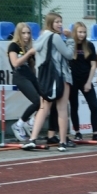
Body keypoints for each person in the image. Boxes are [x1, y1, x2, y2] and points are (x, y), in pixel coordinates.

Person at [21, 12, 74, 151]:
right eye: (57, 21)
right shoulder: (55, 36)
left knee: (43, 108)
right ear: (51, 23)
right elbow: (69, 55)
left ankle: (32, 139)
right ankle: (62, 142)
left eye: (61, 21)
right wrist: (70, 39)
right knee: (62, 109)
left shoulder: (39, 38)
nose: (60, 24)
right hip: (60, 76)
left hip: (45, 78)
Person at [68, 22, 97, 145]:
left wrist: (88, 82)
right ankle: (77, 132)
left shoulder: (89, 45)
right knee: (74, 107)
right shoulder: (70, 44)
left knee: (94, 106)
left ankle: (96, 133)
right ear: (75, 32)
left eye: (84, 32)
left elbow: (93, 65)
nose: (82, 34)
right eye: (80, 32)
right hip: (72, 80)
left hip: (85, 80)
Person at [7, 23, 39, 142]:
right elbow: (15, 63)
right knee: (37, 100)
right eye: (23, 33)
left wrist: (33, 58)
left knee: (46, 99)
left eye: (28, 33)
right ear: (18, 34)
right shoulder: (13, 46)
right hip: (19, 76)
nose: (26, 36)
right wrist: (29, 53)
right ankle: (19, 124)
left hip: (30, 75)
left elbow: (32, 67)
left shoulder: (28, 47)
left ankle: (31, 122)